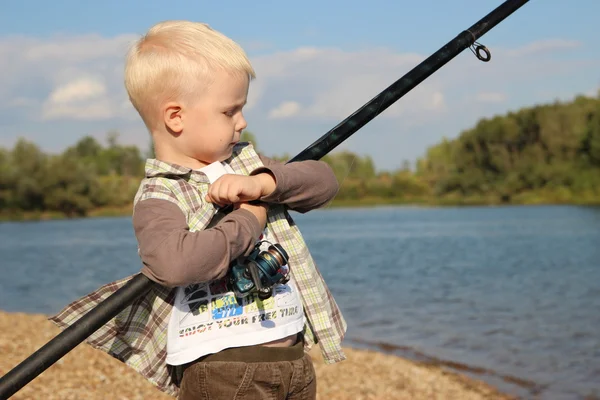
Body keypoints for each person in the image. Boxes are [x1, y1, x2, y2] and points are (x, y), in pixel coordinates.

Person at [50, 20, 347, 399]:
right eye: (230, 111)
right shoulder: (161, 194)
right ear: (176, 117)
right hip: (225, 372)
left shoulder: (246, 163)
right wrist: (247, 221)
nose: (243, 121)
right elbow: (173, 264)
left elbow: (324, 183)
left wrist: (263, 184)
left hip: (293, 361)